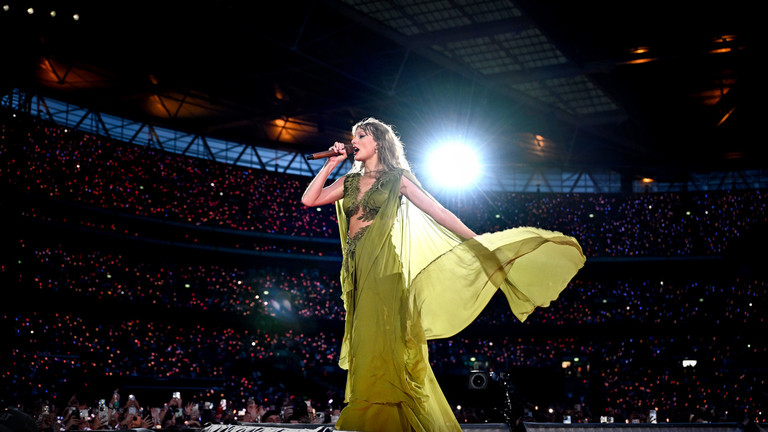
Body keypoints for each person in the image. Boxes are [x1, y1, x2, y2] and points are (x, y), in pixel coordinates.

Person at [301, 117, 585, 431]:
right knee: (365, 345)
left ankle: (384, 420)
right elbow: (309, 199)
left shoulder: (398, 178)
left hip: (385, 271)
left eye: (362, 135)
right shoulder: (350, 181)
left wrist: (478, 242)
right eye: (353, 135)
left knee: (383, 344)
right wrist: (331, 165)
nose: (354, 140)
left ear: (378, 142)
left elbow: (439, 211)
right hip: (357, 272)